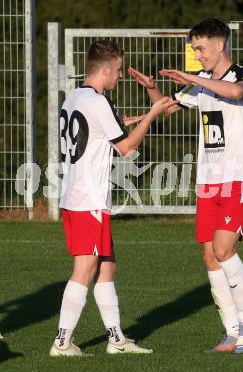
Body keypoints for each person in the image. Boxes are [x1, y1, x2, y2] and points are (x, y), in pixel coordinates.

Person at [128, 18, 243, 354]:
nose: (197, 55)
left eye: (200, 48)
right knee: (209, 255)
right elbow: (167, 108)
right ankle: (231, 334)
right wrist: (151, 87)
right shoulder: (200, 84)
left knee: (224, 250)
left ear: (220, 44)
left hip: (237, 178)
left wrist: (194, 80)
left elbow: (235, 93)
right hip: (208, 182)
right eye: (194, 49)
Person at [50, 40, 177, 357]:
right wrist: (150, 115)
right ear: (105, 70)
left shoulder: (75, 98)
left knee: (107, 266)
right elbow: (126, 149)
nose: (120, 76)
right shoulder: (98, 102)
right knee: (86, 268)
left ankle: (117, 340)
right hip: (87, 199)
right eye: (118, 70)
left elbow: (101, 132)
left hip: (78, 196)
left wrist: (133, 118)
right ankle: (62, 342)